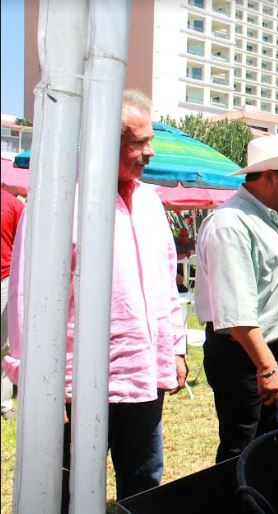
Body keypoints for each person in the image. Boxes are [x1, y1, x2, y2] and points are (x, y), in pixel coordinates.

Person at [3, 90, 188, 503]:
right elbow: (27, 297)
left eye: (149, 140)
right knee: (67, 490)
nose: (150, 151)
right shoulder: (57, 201)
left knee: (144, 482)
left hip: (141, 375)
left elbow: (166, 283)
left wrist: (175, 349)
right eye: (139, 142)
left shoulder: (150, 202)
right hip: (76, 383)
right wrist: (37, 381)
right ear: (103, 140)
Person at [195, 134, 278, 463]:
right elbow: (235, 310)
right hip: (245, 357)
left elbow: (267, 286)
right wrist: (265, 366)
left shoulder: (271, 217)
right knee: (241, 449)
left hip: (269, 349)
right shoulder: (231, 225)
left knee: (268, 441)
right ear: (269, 177)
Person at [1, 188, 24, 420]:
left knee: (3, 345)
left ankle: (4, 403)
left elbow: (24, 242)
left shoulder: (14, 205)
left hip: (4, 280)